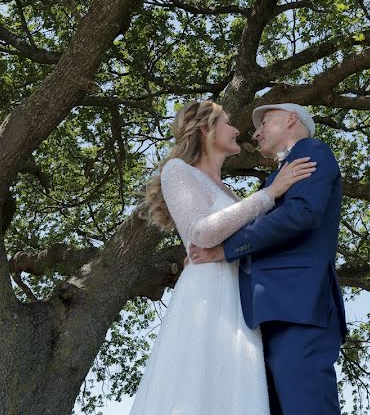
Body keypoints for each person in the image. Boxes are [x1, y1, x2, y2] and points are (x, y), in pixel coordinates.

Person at [130, 100, 316, 414]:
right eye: (229, 122)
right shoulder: (178, 171)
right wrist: (269, 195)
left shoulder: (231, 193)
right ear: (206, 129)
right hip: (205, 292)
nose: (237, 130)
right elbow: (201, 233)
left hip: (240, 297)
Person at [189, 103, 348, 415]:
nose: (256, 132)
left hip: (299, 307)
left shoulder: (311, 150)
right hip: (269, 313)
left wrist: (225, 250)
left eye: (264, 122)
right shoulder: (276, 178)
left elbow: (301, 213)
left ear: (291, 119)